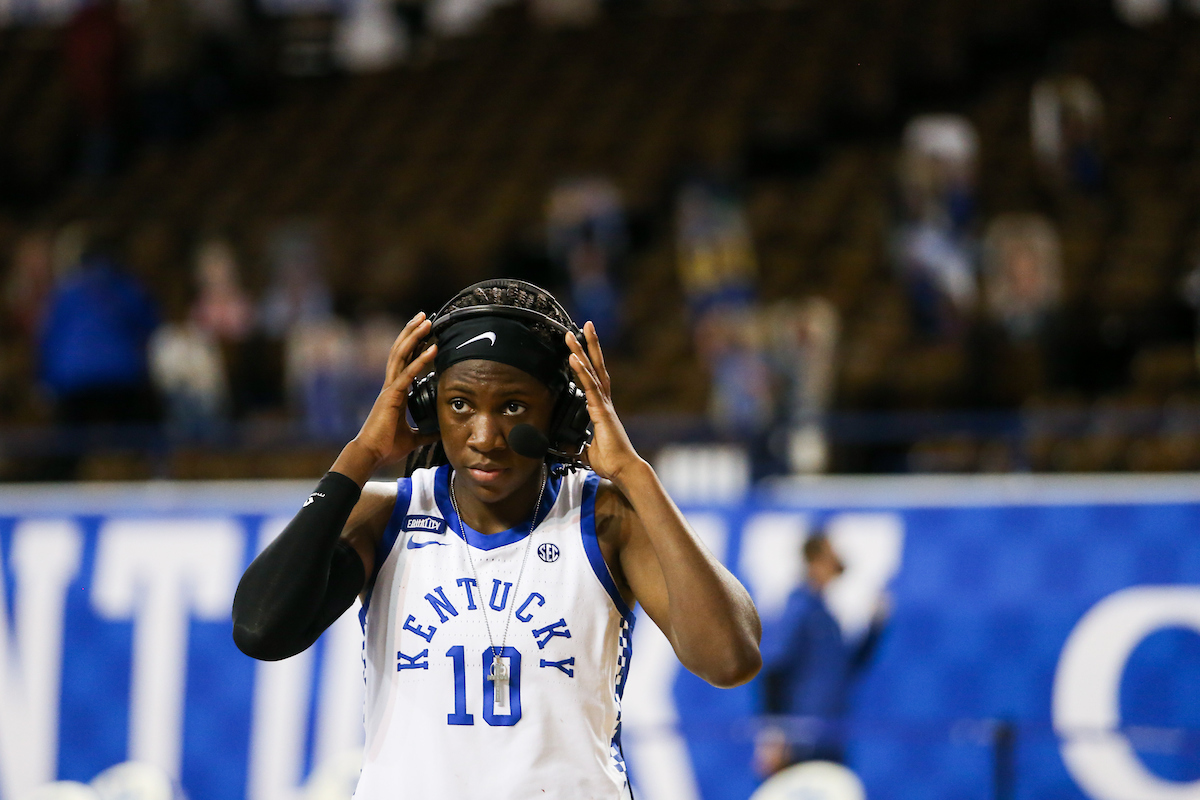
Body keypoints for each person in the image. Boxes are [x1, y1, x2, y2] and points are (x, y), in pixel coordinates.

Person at [232, 279, 762, 799]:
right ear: (427, 406)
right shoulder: (386, 514)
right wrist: (361, 453)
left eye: (512, 407)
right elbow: (261, 629)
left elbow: (729, 660)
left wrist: (633, 472)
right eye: (460, 404)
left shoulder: (606, 520)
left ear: (561, 413)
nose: (484, 437)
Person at [753, 534, 886, 778]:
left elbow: (846, 668)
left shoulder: (826, 616)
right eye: (830, 553)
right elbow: (773, 669)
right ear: (815, 561)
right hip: (801, 740)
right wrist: (774, 733)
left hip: (831, 736)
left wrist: (874, 629)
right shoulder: (800, 609)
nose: (837, 560)